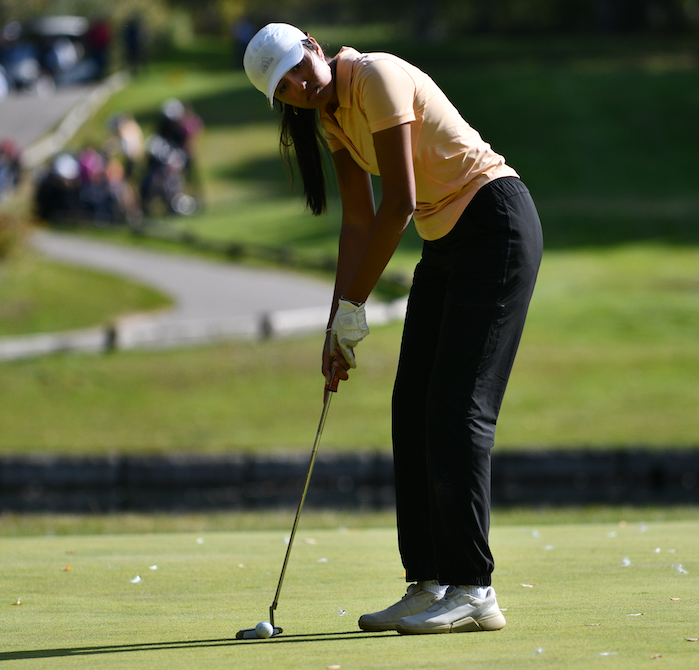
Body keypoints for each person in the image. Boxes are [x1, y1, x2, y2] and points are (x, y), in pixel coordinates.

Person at [244, 24, 543, 634]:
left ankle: (474, 588)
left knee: (456, 408)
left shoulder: (376, 76)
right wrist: (337, 324)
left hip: (495, 225)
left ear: (314, 47)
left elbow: (399, 202)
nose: (300, 87)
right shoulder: (332, 121)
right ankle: (427, 580)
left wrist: (355, 304)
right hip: (447, 243)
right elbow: (357, 224)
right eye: (286, 90)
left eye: (299, 70)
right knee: (411, 407)